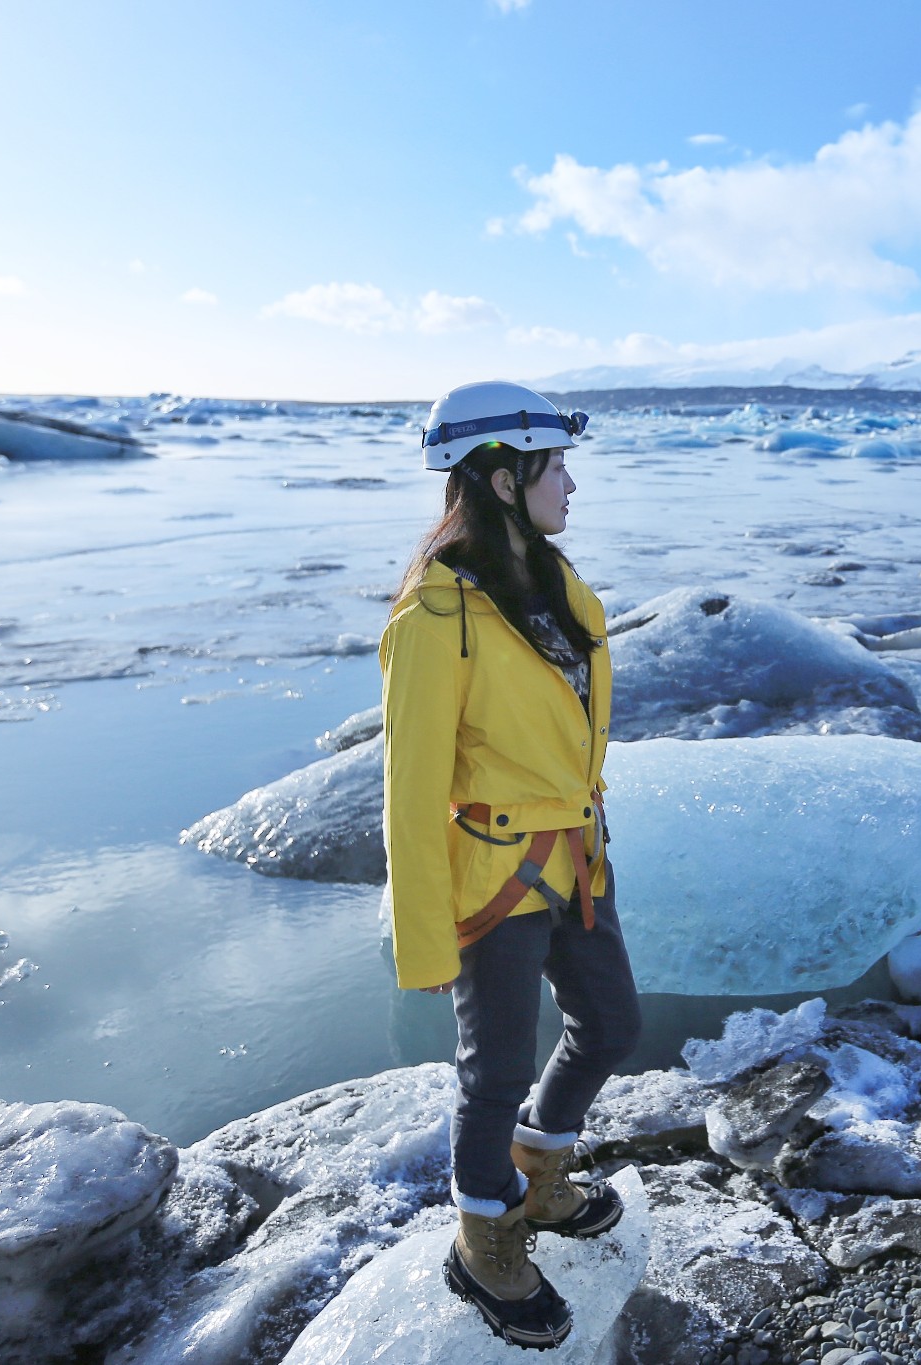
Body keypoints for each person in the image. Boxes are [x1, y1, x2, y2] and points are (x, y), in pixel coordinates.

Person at [380, 380, 640, 1349]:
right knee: (492, 1075)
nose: (570, 484)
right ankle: (482, 1234)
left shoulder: (556, 588)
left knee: (611, 1024)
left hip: (576, 852)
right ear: (500, 478)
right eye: (554, 467)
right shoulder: (432, 617)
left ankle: (538, 1172)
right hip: (492, 870)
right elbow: (408, 791)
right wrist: (422, 941)